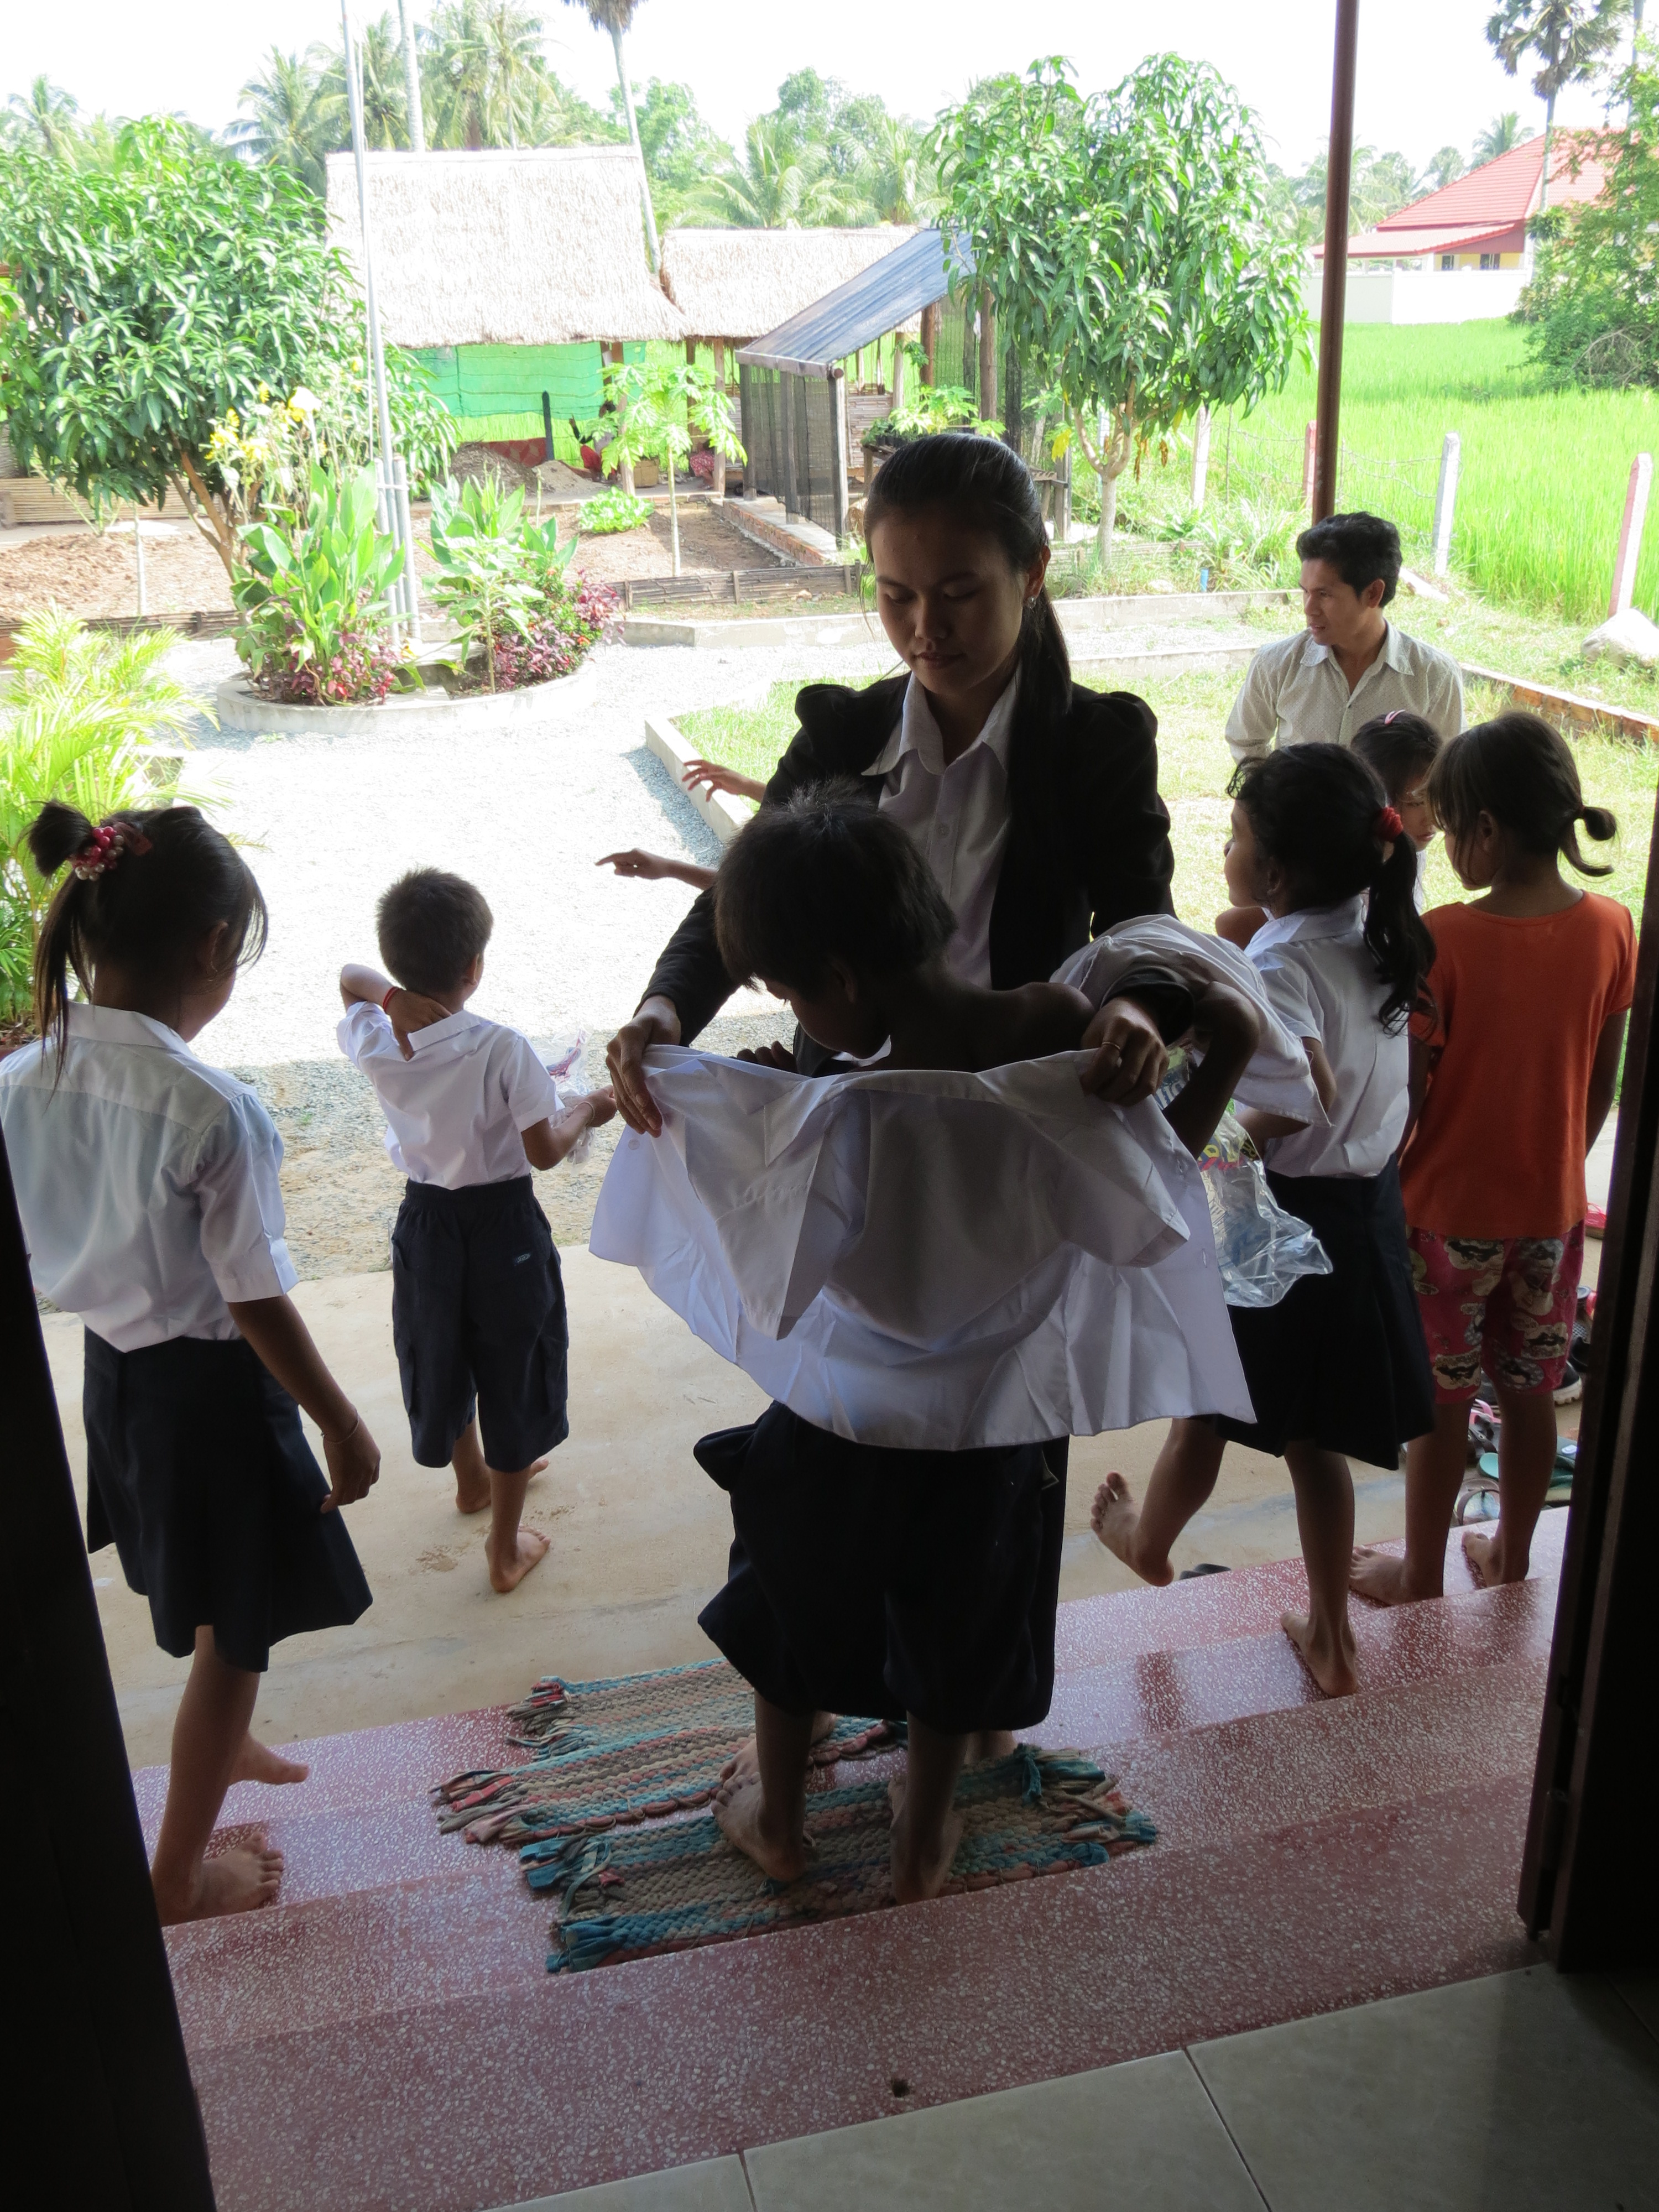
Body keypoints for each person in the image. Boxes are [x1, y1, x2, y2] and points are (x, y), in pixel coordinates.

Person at [691, 789, 1260, 1900]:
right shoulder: (1048, 1030)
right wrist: (1219, 1040)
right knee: (958, 1625)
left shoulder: (832, 1102)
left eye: (796, 992)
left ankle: (782, 1824)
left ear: (840, 979)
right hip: (994, 1421)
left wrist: (765, 1107)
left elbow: (767, 1272)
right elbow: (1143, 1192)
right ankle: (921, 1843)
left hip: (840, 1421)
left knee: (786, 1601)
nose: (798, 1014)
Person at [0, 802, 379, 1923]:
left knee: (217, 1593)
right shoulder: (212, 1110)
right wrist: (341, 1418)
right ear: (213, 946)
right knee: (236, 1632)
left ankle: (227, 1743)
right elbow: (253, 1298)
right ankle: (174, 1876)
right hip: (212, 1400)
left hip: (117, 1380)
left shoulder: (21, 1078)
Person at [606, 430, 1185, 1136]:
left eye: (959, 593)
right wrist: (664, 1006)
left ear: (1033, 570)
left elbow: (1143, 926)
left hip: (1015, 1113)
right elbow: (749, 892)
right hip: (849, 1110)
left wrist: (1136, 1008)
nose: (925, 628)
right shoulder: (841, 737)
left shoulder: (1095, 748)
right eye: (896, 595)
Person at [1094, 744, 1437, 1696]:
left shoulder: (1279, 958)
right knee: (1314, 1438)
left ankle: (1148, 1543)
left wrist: (1213, 1134)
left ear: (1277, 872)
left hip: (1285, 1222)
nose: (1226, 848)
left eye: (1237, 836)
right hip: (1365, 1207)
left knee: (1209, 1399)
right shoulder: (1378, 923)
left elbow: (1306, 1088)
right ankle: (1331, 1636)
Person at [1352, 713, 1632, 1606]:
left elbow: (1408, 1100)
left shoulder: (1443, 940)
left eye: (1447, 824)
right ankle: (1511, 1557)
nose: (1439, 842)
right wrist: (1555, 1164)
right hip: (1552, 1215)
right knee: (1528, 1392)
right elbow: (1602, 1082)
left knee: (1441, 1404)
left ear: (1485, 831)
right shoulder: (1613, 928)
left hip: (1444, 1219)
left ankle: (1421, 1573)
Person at [338, 868, 615, 1593]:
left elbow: (350, 980)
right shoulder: (501, 1047)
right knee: (514, 1372)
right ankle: (503, 1550)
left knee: (443, 1348)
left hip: (426, 1222)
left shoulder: (381, 1037)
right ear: (475, 967)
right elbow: (544, 1150)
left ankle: (471, 1482)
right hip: (504, 1228)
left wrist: (389, 998)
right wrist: (589, 1109)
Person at [1225, 513, 1463, 766]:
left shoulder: (1434, 677)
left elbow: (1447, 771)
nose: (1309, 608)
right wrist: (1273, 788)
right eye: (1305, 592)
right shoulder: (1276, 664)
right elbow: (1246, 742)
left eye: (1324, 594)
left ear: (1373, 593)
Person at [1218, 707, 1446, 948]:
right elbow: (1232, 925)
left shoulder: (1398, 861)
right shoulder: (1337, 877)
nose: (1432, 817)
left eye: (1439, 800)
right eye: (1415, 803)